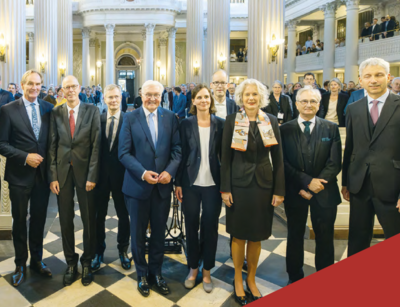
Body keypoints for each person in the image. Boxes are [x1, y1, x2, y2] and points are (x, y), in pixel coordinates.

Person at [220, 79, 285, 305]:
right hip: (238, 185)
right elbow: (225, 159)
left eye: (255, 95)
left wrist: (279, 189)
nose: (251, 98)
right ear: (241, 97)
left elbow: (278, 158)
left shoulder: (271, 121)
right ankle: (238, 278)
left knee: (257, 234)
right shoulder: (231, 121)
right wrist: (225, 188)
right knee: (238, 233)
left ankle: (251, 278)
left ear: (261, 98)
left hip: (263, 185)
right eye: (247, 94)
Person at [118, 80, 181, 297]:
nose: (152, 98)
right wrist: (143, 173)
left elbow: (177, 150)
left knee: (158, 234)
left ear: (162, 95)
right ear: (141, 95)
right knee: (137, 233)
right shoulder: (129, 118)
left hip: (162, 187)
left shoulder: (170, 117)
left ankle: (156, 273)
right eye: (148, 94)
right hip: (137, 186)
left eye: (156, 94)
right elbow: (123, 153)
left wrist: (170, 172)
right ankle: (142, 274)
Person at [280, 86, 342, 285]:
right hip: (295, 191)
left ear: (319, 104)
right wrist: (307, 183)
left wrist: (316, 185)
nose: (308, 105)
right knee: (295, 235)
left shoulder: (330, 128)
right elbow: (283, 163)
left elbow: (335, 163)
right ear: (296, 104)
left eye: (313, 101)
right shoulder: (284, 129)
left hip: (324, 192)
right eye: (304, 101)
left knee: (325, 237)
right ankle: (295, 278)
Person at [342, 57, 400, 257]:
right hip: (359, 184)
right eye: (368, 76)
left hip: (392, 186)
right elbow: (350, 148)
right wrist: (345, 182)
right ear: (361, 80)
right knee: (357, 240)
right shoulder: (353, 108)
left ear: (388, 77)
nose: (373, 80)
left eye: (378, 75)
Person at [0, 70, 53, 287]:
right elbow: (2, 144)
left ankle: (37, 261)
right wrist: (25, 157)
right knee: (20, 221)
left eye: (38, 84)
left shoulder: (49, 109)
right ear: (22, 85)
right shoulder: (8, 110)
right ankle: (20, 263)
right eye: (30, 84)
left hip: (42, 177)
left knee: (39, 220)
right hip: (19, 175)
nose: (34, 88)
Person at [48, 75, 101, 287]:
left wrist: (92, 175)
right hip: (63, 174)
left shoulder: (92, 110)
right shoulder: (56, 112)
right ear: (62, 90)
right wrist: (53, 175)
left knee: (89, 219)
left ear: (79, 88)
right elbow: (52, 145)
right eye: (66, 87)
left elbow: (96, 146)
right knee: (65, 219)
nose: (70, 90)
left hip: (85, 173)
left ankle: (87, 261)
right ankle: (71, 262)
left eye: (73, 86)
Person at [175, 84, 224, 293]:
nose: (204, 100)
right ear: (193, 101)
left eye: (207, 97)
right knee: (191, 227)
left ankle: (207, 271)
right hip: (190, 183)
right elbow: (180, 154)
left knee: (210, 228)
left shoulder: (220, 124)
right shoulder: (185, 124)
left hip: (214, 184)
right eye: (200, 97)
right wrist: (177, 183)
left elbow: (226, 157)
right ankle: (193, 268)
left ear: (211, 100)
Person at [91, 84, 131, 272]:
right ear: (104, 99)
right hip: (100, 177)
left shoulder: (129, 120)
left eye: (116, 97)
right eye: (110, 97)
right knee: (99, 216)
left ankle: (123, 250)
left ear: (121, 98)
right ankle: (99, 251)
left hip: (123, 177)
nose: (113, 100)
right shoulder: (96, 120)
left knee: (124, 216)